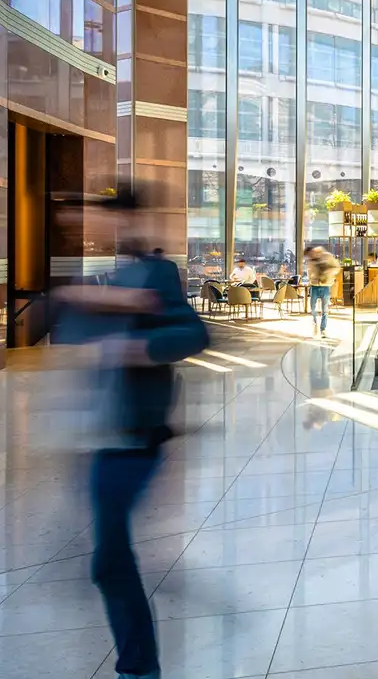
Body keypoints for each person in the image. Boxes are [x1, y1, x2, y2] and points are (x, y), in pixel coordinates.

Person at [54, 181, 211, 679]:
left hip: (137, 438)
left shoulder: (157, 274)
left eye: (97, 218)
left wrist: (138, 348)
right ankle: (137, 664)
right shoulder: (109, 279)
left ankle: (138, 667)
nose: (89, 228)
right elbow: (70, 334)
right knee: (107, 558)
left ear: (124, 220)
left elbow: (193, 333)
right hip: (102, 434)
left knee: (108, 559)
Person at [305, 246, 340, 338]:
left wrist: (327, 273)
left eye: (311, 253)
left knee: (325, 309)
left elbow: (336, 268)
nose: (311, 256)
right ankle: (315, 323)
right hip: (314, 285)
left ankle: (323, 329)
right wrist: (311, 279)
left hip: (325, 286)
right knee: (312, 307)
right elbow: (309, 272)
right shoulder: (310, 261)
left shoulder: (327, 256)